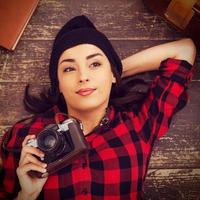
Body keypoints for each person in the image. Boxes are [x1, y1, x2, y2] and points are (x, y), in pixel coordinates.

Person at [0, 15, 196, 200]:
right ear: (57, 83)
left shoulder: (139, 124)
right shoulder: (23, 136)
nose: (83, 76)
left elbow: (185, 50)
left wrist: (114, 71)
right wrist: (26, 196)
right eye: (69, 68)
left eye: (94, 64)